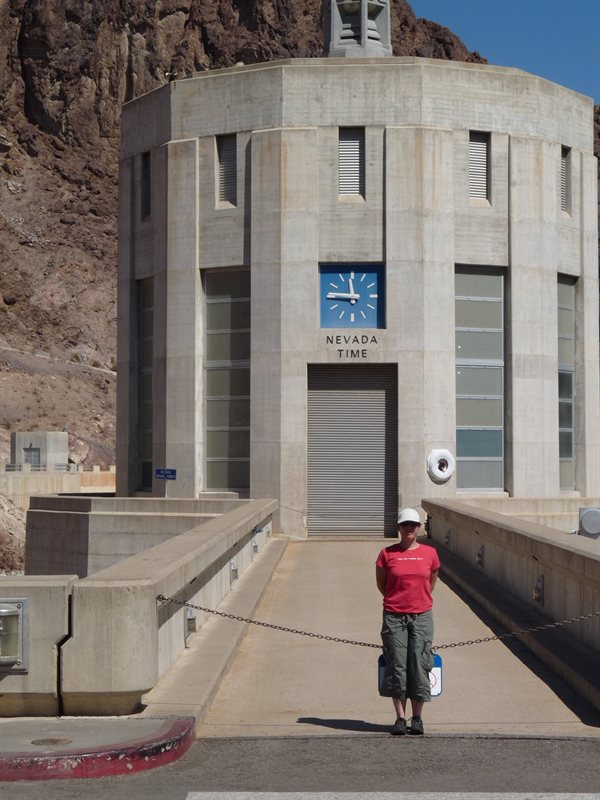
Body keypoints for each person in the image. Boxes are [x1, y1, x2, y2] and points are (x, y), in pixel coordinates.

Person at [376, 507, 440, 736]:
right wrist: (398, 601)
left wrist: (419, 600)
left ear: (419, 527)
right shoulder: (387, 554)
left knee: (419, 662)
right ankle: (400, 718)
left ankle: (418, 718)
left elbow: (431, 581)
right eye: (405, 525)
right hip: (394, 615)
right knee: (397, 665)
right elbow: (382, 585)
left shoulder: (430, 554)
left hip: (422, 616)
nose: (409, 529)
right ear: (399, 528)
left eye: (413, 525)